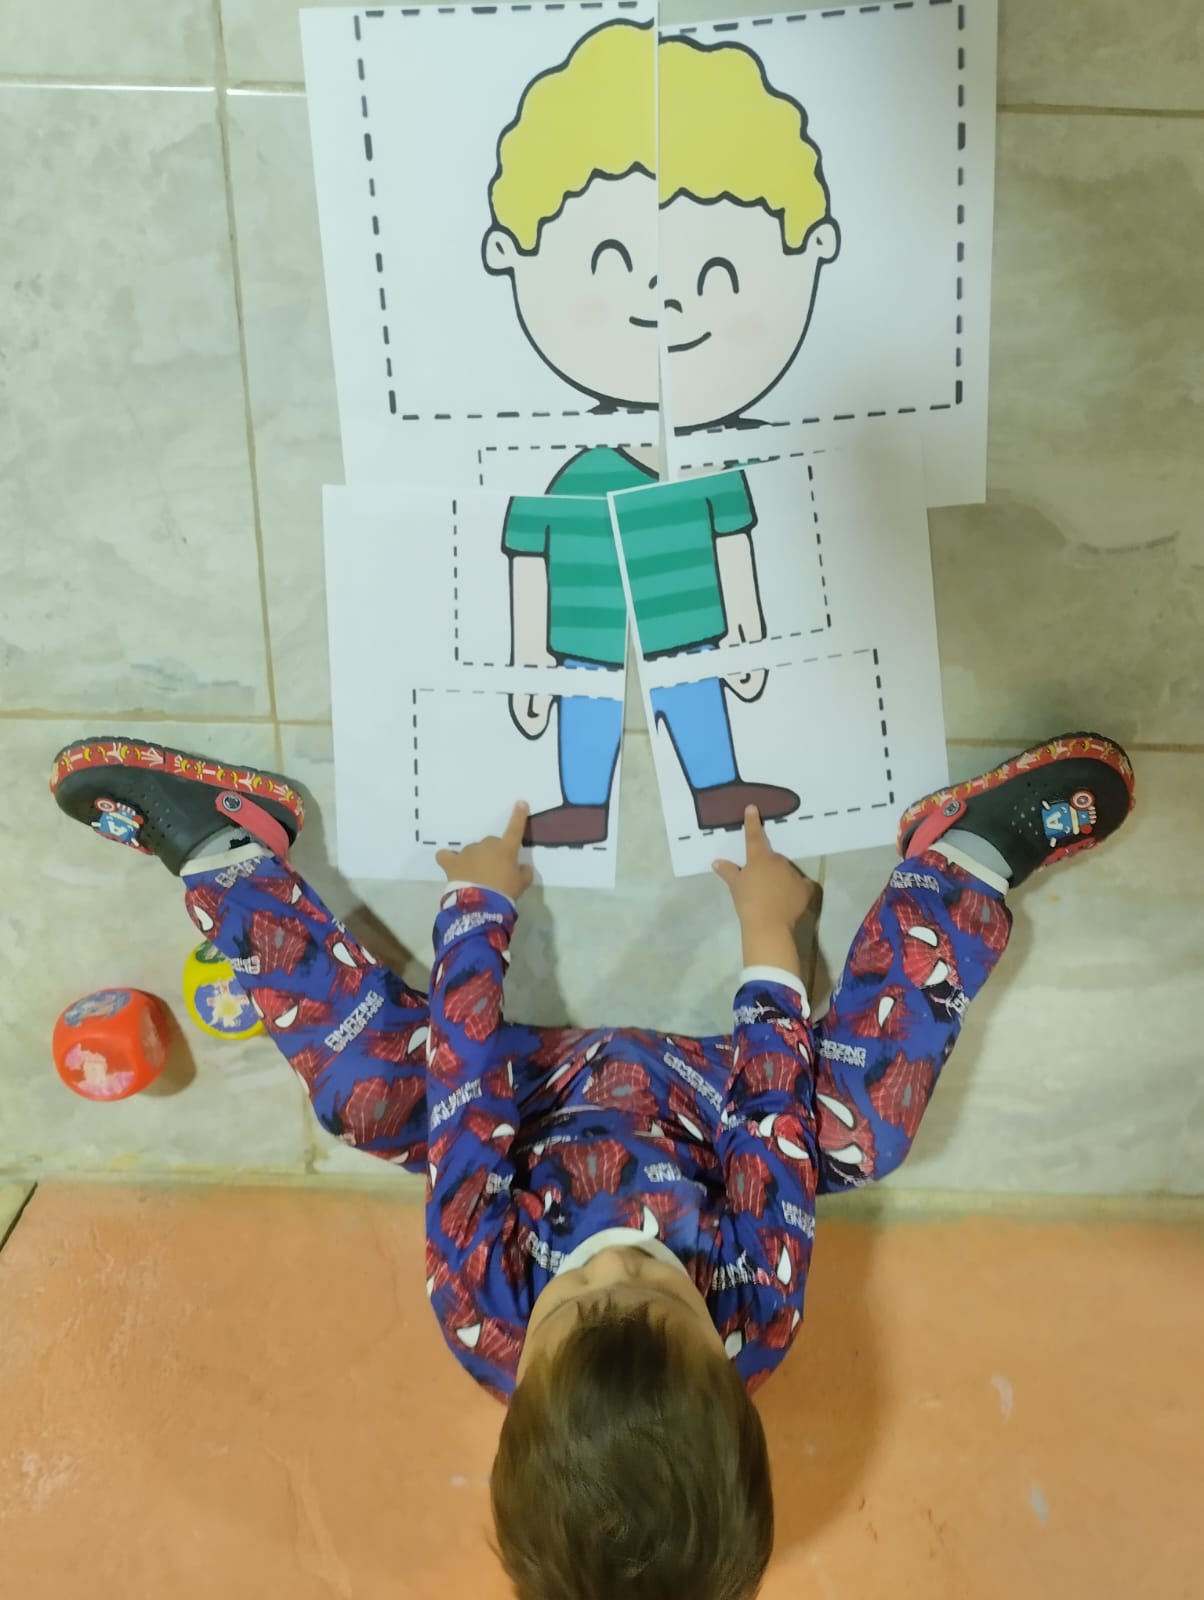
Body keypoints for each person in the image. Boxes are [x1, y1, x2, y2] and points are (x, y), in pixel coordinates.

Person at [51, 730, 1134, 1599]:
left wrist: (478, 911)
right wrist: (768, 939)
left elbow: (465, 1097)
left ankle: (227, 854)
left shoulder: (476, 1305)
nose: (620, 1263)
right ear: (732, 1376)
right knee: (866, 1133)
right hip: (709, 1100)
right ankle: (962, 862)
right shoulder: (760, 1311)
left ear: (517, 1385)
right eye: (662, 1296)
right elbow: (771, 1121)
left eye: (573, 1305)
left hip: (530, 1091)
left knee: (366, 1101)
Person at [485, 18, 839, 845]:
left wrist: (748, 629)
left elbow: (733, 542)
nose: (666, 303)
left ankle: (716, 787)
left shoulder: (714, 468)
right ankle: (584, 802)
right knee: (588, 703)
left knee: (694, 690)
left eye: (719, 273)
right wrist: (527, 659)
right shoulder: (571, 475)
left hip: (692, 628)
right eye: (612, 264)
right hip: (584, 633)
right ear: (510, 254)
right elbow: (529, 558)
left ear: (815, 251)